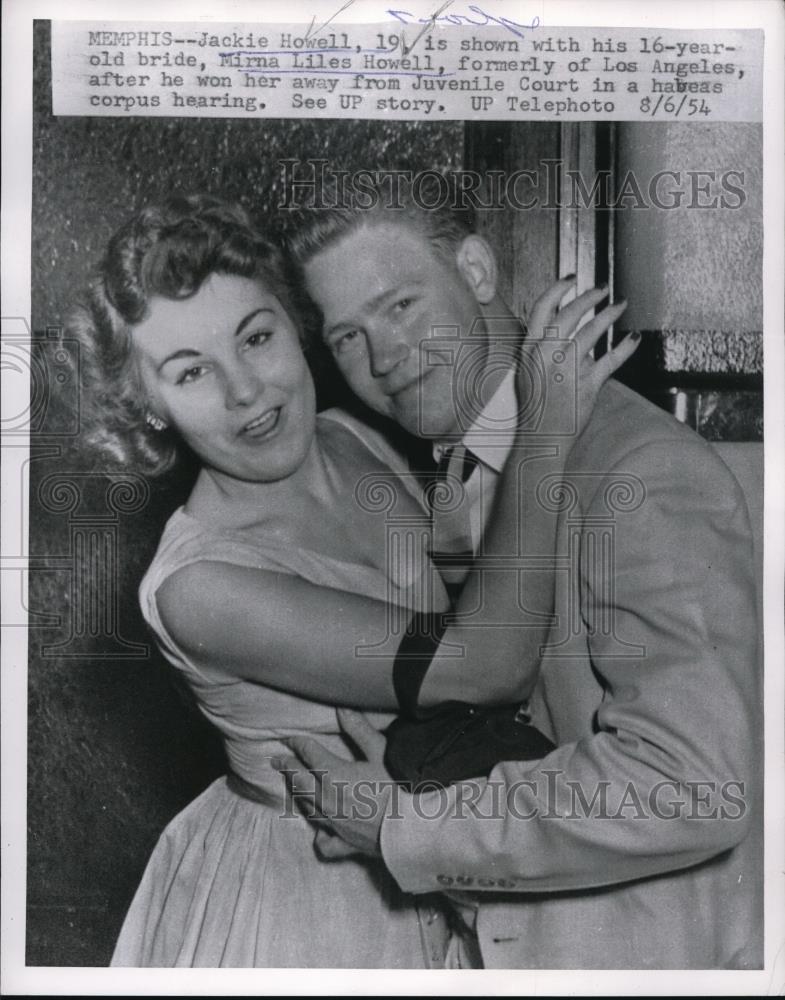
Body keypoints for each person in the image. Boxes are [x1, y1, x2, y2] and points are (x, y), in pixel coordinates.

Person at [67, 194, 633, 968]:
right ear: (148, 408)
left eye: (257, 338)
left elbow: (472, 587)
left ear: (296, 333)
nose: (247, 392)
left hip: (429, 837)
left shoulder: (349, 436)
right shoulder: (200, 586)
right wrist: (545, 424)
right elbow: (486, 663)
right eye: (192, 371)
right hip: (308, 894)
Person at [276, 179, 761, 969]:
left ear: (473, 271)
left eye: (399, 306)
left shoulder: (636, 471)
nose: (385, 358)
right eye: (346, 338)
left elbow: (692, 786)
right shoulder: (441, 465)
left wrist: (404, 829)